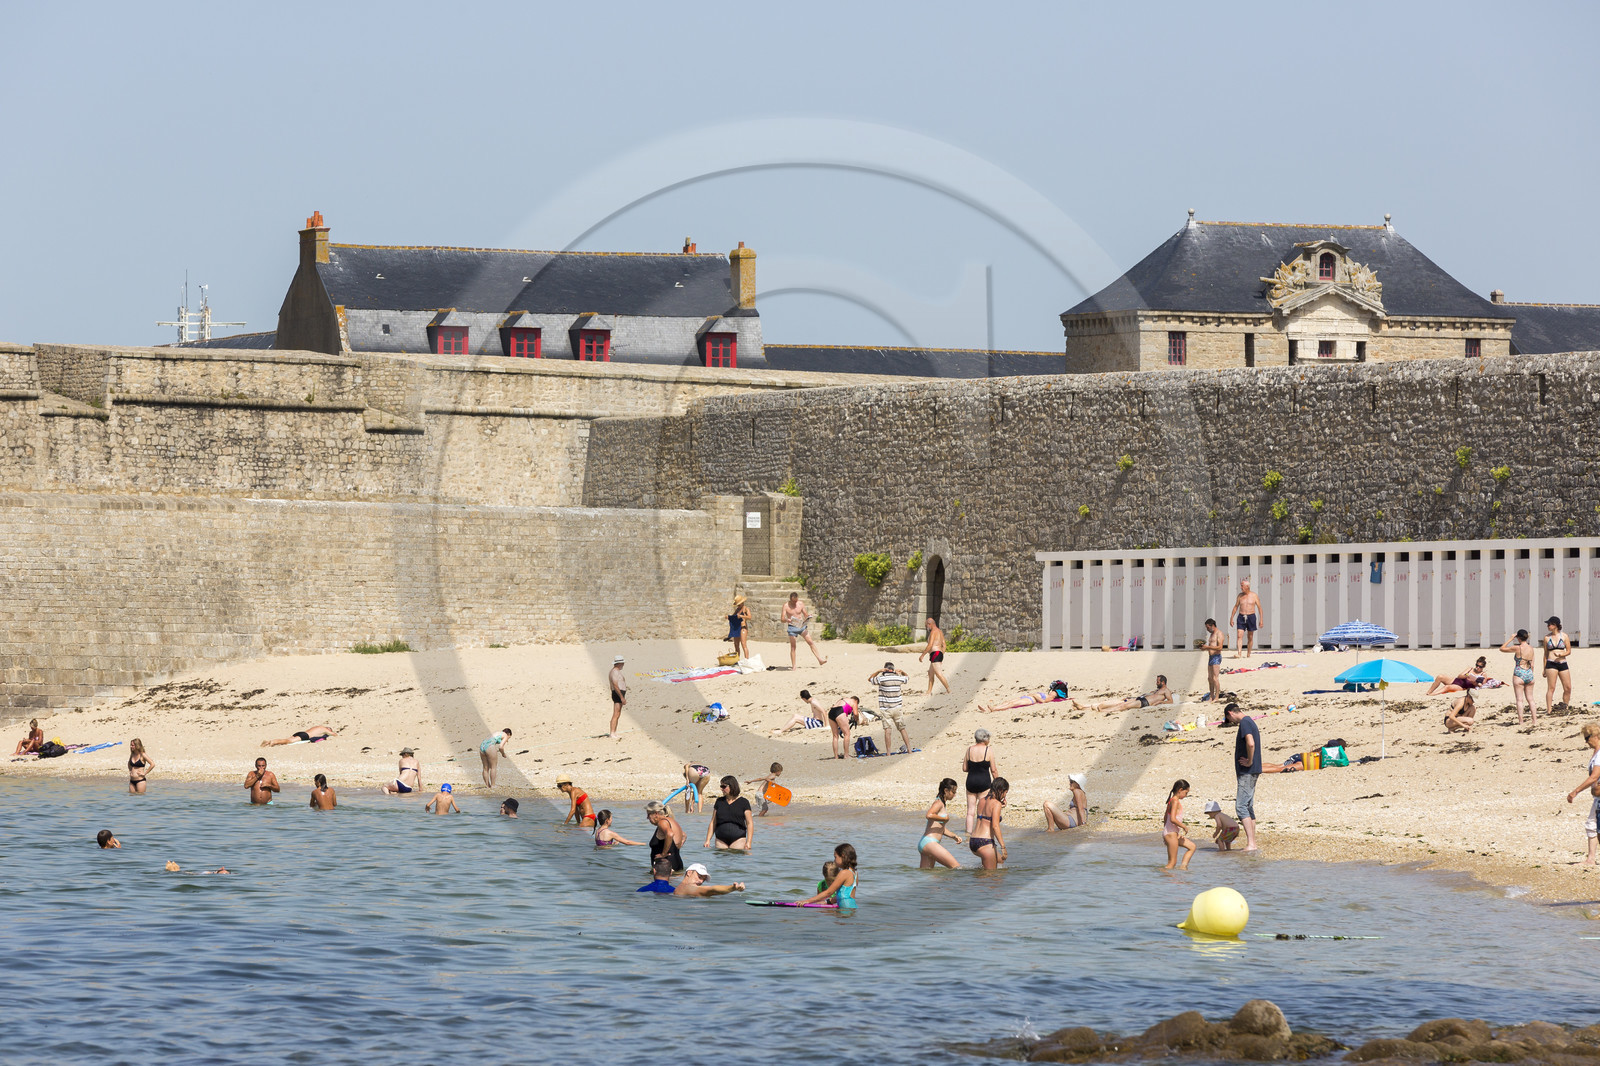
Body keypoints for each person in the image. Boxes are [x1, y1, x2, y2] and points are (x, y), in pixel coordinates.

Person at [1226, 702, 1261, 852]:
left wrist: (1250, 760)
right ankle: (1252, 843)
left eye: (1229, 719)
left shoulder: (1245, 723)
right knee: (1248, 806)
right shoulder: (1250, 721)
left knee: (1240, 807)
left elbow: (1251, 743)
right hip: (1252, 770)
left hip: (1248, 771)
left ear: (1230, 713)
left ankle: (1251, 844)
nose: (1231, 722)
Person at [1565, 723, 1600, 866]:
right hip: (1597, 796)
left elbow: (1594, 777)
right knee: (1592, 824)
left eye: (1587, 738)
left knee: (1596, 826)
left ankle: (1591, 859)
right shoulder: (1596, 753)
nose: (1586, 742)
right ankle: (1590, 859)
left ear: (1595, 736)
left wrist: (1576, 791)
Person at [867, 661, 912, 754]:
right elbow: (907, 678)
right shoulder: (898, 678)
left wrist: (879, 671)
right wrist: (902, 672)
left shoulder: (882, 678)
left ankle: (888, 752)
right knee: (902, 729)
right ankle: (909, 749)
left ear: (885, 669)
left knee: (887, 730)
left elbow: (870, 679)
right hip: (897, 708)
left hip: (885, 708)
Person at [918, 779, 963, 869]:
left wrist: (953, 836)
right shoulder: (938, 803)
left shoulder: (941, 803)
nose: (955, 795)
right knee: (957, 868)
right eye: (953, 792)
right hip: (930, 843)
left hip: (926, 843)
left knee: (927, 876)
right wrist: (944, 818)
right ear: (946, 790)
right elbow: (929, 815)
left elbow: (939, 827)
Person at [961, 728, 997, 834]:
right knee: (981, 810)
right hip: (984, 782)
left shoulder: (969, 749)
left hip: (971, 781)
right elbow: (993, 770)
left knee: (970, 812)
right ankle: (979, 833)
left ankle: (968, 834)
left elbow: (965, 768)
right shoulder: (988, 750)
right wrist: (997, 782)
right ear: (986, 739)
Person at [1072, 676, 1172, 714]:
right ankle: (1084, 706)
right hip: (1139, 699)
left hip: (1144, 703)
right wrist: (1131, 697)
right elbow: (1147, 695)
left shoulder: (1166, 691)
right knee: (1121, 701)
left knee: (1123, 706)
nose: (1156, 682)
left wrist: (1160, 702)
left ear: (1163, 682)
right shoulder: (1156, 690)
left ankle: (1104, 710)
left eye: (1158, 681)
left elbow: (1170, 701)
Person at [705, 776, 754, 851]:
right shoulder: (719, 801)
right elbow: (713, 822)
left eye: (723, 786)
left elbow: (749, 823)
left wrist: (749, 842)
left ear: (732, 786)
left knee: (736, 860)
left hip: (738, 839)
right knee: (720, 860)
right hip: (720, 840)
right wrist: (708, 840)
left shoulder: (744, 802)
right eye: (721, 786)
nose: (721, 789)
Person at [1501, 629, 1539, 727]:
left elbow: (1502, 648)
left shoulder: (1518, 648)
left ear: (1518, 638)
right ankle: (1535, 720)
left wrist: (1510, 639)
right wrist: (1530, 674)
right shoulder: (1531, 648)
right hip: (1529, 673)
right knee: (1531, 699)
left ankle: (1521, 721)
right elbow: (1533, 664)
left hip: (1519, 673)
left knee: (1519, 700)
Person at [970, 780, 1008, 870]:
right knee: (991, 878)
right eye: (1005, 792)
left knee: (1000, 861)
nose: (1005, 796)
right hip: (985, 842)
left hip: (973, 841)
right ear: (1000, 790)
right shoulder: (996, 804)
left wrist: (1000, 807)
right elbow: (995, 826)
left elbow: (986, 818)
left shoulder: (982, 800)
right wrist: (1003, 846)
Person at [782, 592, 826, 668]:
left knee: (810, 642)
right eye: (793, 601)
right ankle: (794, 666)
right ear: (790, 599)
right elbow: (782, 619)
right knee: (793, 647)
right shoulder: (786, 606)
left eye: (796, 601)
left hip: (801, 626)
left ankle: (820, 660)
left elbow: (805, 614)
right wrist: (787, 619)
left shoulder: (800, 604)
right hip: (792, 627)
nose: (795, 603)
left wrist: (808, 616)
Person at [1162, 779, 1196, 871]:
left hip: (1172, 833)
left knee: (1192, 847)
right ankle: (1161, 876)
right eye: (1186, 792)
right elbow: (1172, 819)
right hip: (1171, 834)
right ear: (1180, 790)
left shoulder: (1171, 800)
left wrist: (1165, 833)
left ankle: (1183, 867)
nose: (1186, 795)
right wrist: (1183, 826)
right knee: (1172, 862)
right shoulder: (1175, 801)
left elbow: (1165, 818)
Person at [979, 681, 1070, 714]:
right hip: (1029, 697)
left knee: (1012, 704)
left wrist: (1034, 695)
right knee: (1009, 701)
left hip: (1031, 699)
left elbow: (1043, 701)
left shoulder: (1052, 696)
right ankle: (991, 709)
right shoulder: (1052, 694)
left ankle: (994, 709)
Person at [646, 799, 686, 873]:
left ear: (656, 813)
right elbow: (684, 835)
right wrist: (676, 847)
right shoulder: (671, 821)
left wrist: (663, 854)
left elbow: (670, 834)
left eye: (648, 814)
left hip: (666, 865)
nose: (647, 818)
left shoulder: (662, 822)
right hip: (675, 862)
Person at [1545, 616, 1573, 718]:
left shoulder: (1564, 636)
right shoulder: (1547, 638)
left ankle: (1565, 707)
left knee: (1568, 687)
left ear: (1556, 625)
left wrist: (1561, 655)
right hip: (1551, 663)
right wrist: (1544, 668)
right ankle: (1549, 710)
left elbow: (1569, 651)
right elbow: (1545, 654)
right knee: (1551, 688)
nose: (1548, 626)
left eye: (1550, 624)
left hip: (1562, 662)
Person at [1230, 579, 1263, 658]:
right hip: (1241, 616)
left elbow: (1260, 608)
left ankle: (1248, 653)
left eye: (1242, 586)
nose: (1241, 587)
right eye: (1241, 586)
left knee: (1250, 637)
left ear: (1247, 586)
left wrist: (1261, 620)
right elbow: (1235, 607)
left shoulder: (1254, 595)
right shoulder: (1240, 596)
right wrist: (1231, 618)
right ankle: (1239, 653)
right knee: (1239, 635)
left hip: (1251, 616)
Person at [674, 862, 745, 898]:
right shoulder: (688, 887)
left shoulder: (679, 888)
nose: (701, 881)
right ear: (689, 873)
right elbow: (711, 889)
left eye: (704, 880)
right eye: (699, 876)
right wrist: (732, 888)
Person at [920, 617, 951, 696]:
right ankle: (929, 691)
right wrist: (941, 653)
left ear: (929, 624)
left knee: (938, 674)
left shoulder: (933, 632)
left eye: (926, 626)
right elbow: (944, 645)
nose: (926, 628)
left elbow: (930, 645)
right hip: (938, 654)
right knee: (930, 673)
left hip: (935, 654)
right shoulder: (940, 631)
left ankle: (949, 690)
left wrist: (922, 655)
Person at [1202, 619, 1225, 702]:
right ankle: (1211, 696)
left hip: (1216, 657)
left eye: (1208, 627)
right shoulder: (1212, 634)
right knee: (1210, 678)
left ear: (1212, 625)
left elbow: (1220, 647)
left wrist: (1207, 647)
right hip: (1211, 657)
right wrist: (1204, 648)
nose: (1207, 629)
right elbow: (1211, 646)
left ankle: (1217, 697)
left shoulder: (1219, 633)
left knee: (1215, 678)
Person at [261, 725, 336, 747]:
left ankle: (268, 742)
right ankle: (273, 742)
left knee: (286, 739)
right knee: (288, 741)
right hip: (305, 736)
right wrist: (332, 733)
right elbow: (334, 735)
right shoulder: (325, 729)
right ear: (328, 729)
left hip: (301, 732)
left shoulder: (318, 727)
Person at [608, 656, 627, 740]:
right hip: (618, 693)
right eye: (622, 663)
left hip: (618, 693)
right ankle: (612, 732)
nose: (623, 664)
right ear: (619, 663)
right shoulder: (614, 672)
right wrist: (621, 696)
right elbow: (615, 685)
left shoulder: (616, 671)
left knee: (618, 713)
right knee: (616, 713)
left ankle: (614, 732)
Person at [727, 596, 752, 661]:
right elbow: (733, 617)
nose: (738, 605)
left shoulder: (745, 609)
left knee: (743, 644)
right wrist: (729, 617)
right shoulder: (737, 610)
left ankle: (747, 659)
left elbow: (749, 617)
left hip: (743, 628)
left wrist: (741, 616)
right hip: (737, 628)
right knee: (736, 644)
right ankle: (737, 660)